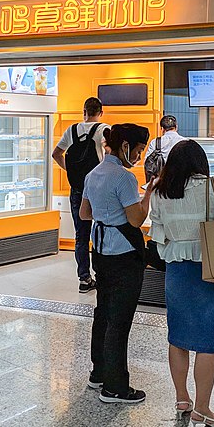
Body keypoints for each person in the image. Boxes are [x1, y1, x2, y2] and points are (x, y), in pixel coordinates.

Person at [149, 140, 214, 427]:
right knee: (207, 343)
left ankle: (182, 398)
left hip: (176, 272)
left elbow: (157, 235)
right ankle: (203, 409)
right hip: (210, 269)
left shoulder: (161, 193)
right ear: (201, 162)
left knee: (178, 337)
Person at [79, 123, 153, 404]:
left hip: (100, 251)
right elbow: (136, 220)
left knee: (104, 314)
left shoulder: (93, 174)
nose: (138, 156)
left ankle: (98, 373)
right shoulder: (124, 178)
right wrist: (149, 193)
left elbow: (86, 213)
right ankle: (116, 387)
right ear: (125, 147)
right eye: (138, 150)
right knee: (120, 321)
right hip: (124, 256)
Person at [52, 97, 110, 294]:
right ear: (100, 112)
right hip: (100, 187)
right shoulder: (105, 129)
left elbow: (56, 154)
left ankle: (84, 278)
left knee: (81, 235)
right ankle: (103, 275)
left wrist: (70, 170)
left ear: (83, 111)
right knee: (103, 230)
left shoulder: (72, 129)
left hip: (78, 188)